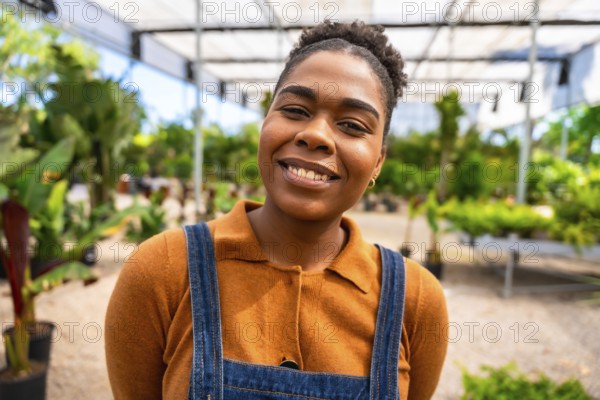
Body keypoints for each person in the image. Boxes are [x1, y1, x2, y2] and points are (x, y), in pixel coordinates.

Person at [105, 20, 448, 400]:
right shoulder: (162, 270)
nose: (315, 135)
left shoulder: (414, 300)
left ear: (379, 162)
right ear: (266, 122)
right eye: (296, 110)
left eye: (352, 125)